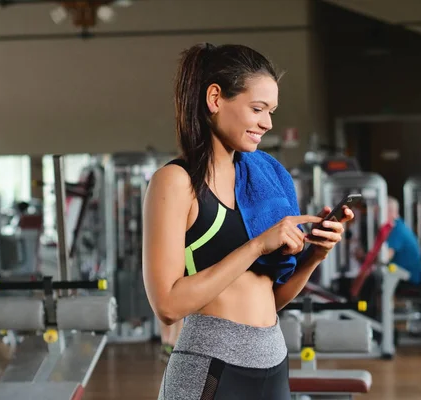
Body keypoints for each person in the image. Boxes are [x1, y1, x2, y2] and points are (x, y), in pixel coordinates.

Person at [142, 42, 353, 400]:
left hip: (273, 361)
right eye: (257, 109)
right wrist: (257, 245)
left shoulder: (261, 180)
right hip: (210, 368)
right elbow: (167, 306)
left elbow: (272, 299)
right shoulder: (176, 182)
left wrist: (315, 254)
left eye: (270, 111)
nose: (267, 123)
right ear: (215, 99)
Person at [355, 196, 421, 286]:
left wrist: (363, 257)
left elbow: (385, 258)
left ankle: (384, 300)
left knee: (382, 273)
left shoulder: (397, 229)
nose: (375, 216)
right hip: (402, 271)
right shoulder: (397, 225)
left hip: (410, 276)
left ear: (389, 211)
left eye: (377, 212)